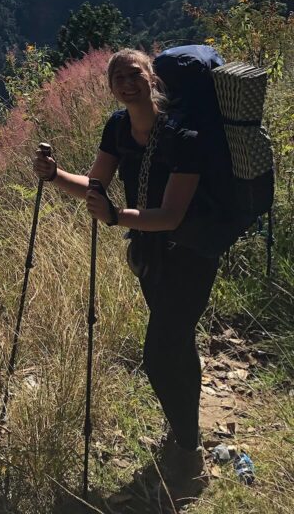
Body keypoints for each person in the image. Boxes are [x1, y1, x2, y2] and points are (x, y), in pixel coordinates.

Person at [33, 48, 218, 507]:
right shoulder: (118, 126)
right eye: (117, 75)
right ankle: (184, 429)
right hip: (150, 253)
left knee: (158, 353)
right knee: (177, 341)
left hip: (191, 253)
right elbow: (96, 184)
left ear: (151, 77)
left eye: (133, 73)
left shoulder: (183, 135)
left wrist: (117, 217)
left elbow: (173, 215)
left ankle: (189, 452)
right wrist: (56, 175)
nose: (125, 81)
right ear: (110, 84)